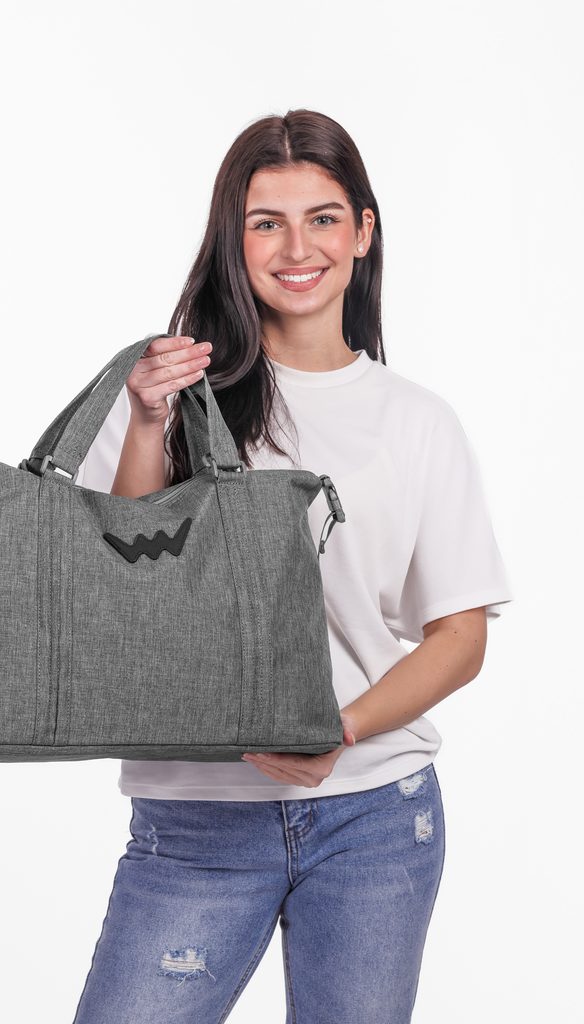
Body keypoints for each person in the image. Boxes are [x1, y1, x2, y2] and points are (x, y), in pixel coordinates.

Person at [70, 109, 514, 1024]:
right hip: (195, 817)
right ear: (233, 240)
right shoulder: (168, 395)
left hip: (376, 816)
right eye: (266, 222)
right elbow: (117, 578)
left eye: (323, 218)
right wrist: (148, 422)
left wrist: (338, 729)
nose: (297, 247)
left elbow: (460, 636)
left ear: (363, 232)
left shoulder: (417, 421)